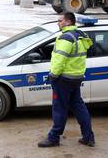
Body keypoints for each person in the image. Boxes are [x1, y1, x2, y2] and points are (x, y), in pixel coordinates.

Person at [38, 12, 95, 147]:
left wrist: (53, 75)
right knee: (79, 107)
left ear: (68, 22)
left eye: (60, 21)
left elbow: (60, 59)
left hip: (63, 79)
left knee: (59, 108)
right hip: (76, 77)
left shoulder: (66, 38)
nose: (58, 23)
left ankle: (53, 138)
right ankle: (88, 137)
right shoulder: (80, 35)